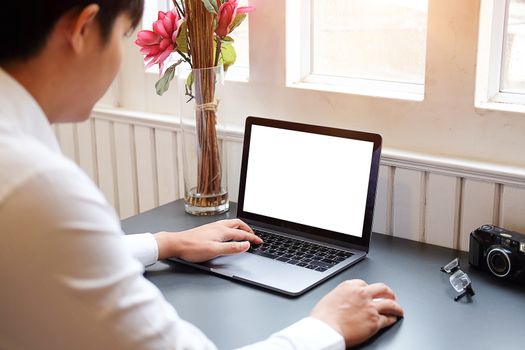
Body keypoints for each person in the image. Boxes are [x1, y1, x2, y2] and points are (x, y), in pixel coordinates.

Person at [0, 1, 404, 349]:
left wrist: (164, 243)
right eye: (125, 36)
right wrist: (327, 328)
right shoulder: (39, 189)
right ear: (83, 29)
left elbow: (59, 258)